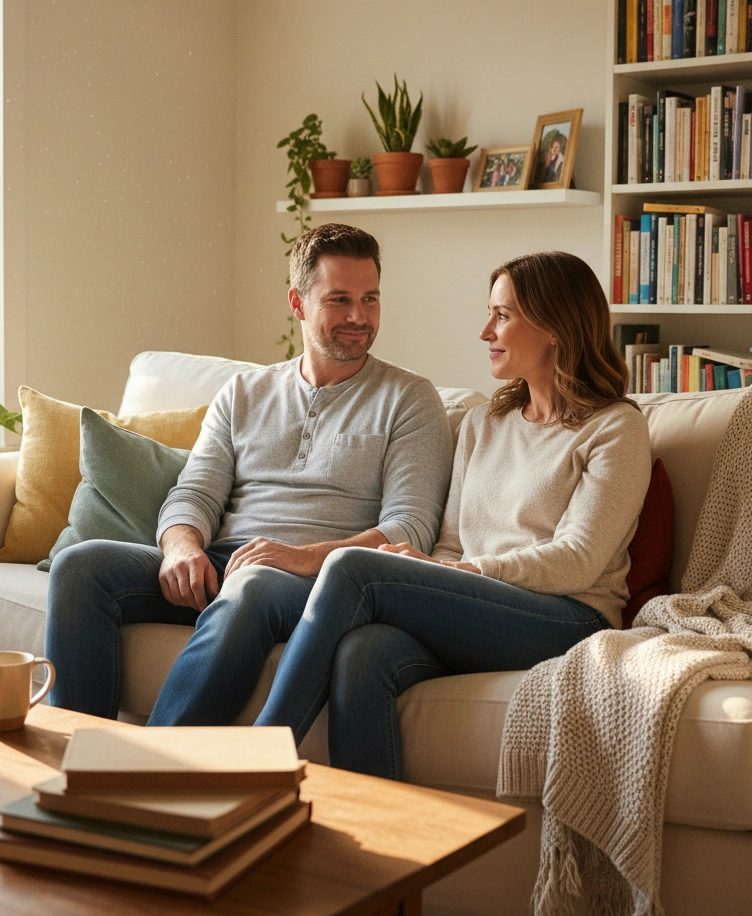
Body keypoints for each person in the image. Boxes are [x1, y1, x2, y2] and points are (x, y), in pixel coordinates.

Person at [254, 251, 652, 781]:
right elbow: (450, 544)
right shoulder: (485, 421)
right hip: (479, 606)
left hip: (567, 617)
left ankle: (256, 755)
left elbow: (578, 560)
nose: (486, 330)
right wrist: (433, 568)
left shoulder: (615, 429)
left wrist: (471, 574)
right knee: (362, 653)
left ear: (556, 326)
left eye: (502, 315)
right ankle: (371, 837)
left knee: (353, 567)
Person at [43, 223, 454, 723]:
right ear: (298, 303)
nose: (358, 317)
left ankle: (153, 767)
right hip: (224, 563)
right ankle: (78, 755)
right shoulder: (243, 392)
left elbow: (409, 529)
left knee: (253, 586)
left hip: (324, 583)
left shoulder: (409, 398)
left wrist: (300, 558)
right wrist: (181, 547)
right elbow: (194, 491)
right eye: (339, 299)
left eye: (371, 299)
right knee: (81, 565)